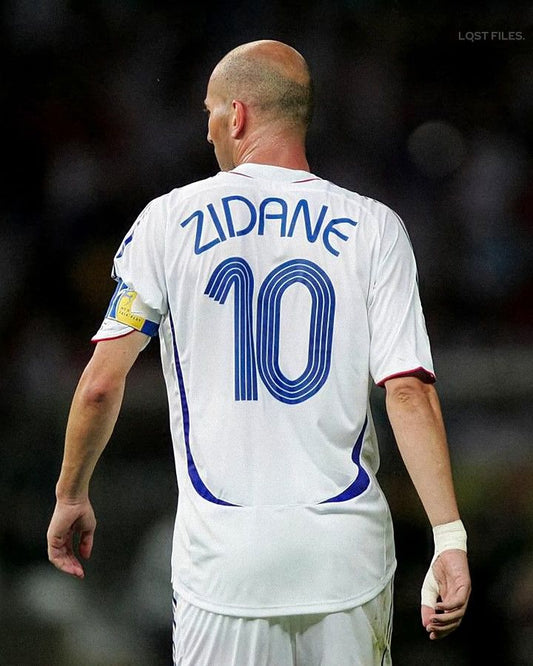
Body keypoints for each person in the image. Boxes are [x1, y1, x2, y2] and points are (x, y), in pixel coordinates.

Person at [47, 39, 471, 664]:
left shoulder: (167, 222)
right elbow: (407, 391)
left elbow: (100, 385)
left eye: (210, 113)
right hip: (344, 558)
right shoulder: (375, 227)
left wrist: (71, 495)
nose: (207, 131)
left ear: (237, 115)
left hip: (223, 565)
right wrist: (448, 536)